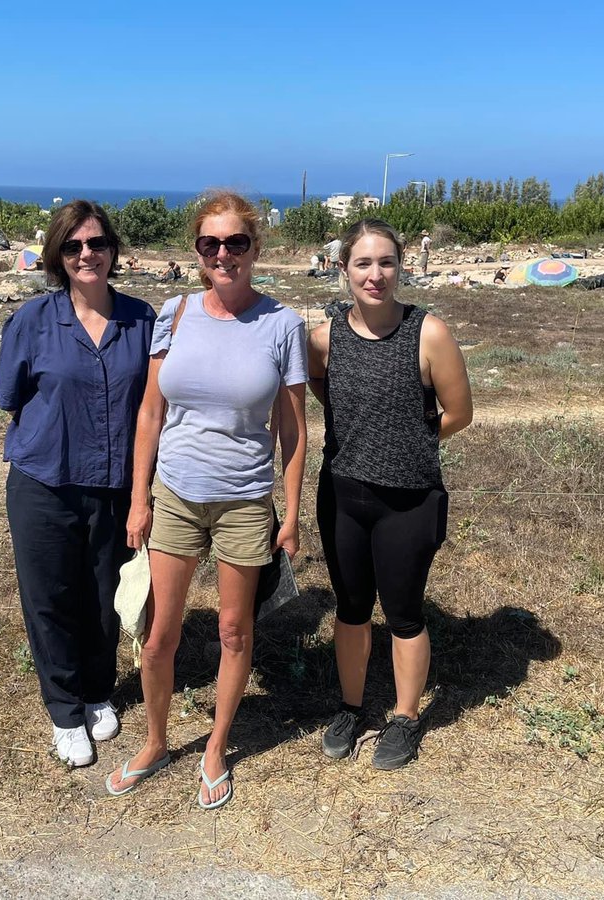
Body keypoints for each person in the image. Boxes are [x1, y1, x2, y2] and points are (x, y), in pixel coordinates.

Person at [106, 191, 308, 809]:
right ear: (197, 251)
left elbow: (294, 429)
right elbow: (150, 411)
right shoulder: (176, 312)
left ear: (255, 249)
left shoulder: (282, 324)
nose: (224, 254)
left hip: (245, 498)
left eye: (236, 242)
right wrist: (139, 498)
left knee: (232, 630)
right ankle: (156, 742)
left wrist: (292, 511)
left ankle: (217, 747)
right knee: (160, 632)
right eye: (210, 243)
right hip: (175, 493)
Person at [0, 200, 156, 768]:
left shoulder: (143, 320)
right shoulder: (33, 320)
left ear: (113, 250)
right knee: (50, 597)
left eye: (96, 243)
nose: (86, 254)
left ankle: (95, 690)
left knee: (105, 597)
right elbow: (11, 397)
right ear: (57, 257)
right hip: (44, 481)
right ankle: (64, 709)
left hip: (116, 486)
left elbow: (154, 407)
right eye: (73, 246)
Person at [307, 218, 472, 770]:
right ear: (343, 269)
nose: (375, 275)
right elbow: (320, 388)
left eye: (386, 263)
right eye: (363, 263)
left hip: (409, 498)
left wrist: (408, 441)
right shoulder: (324, 338)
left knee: (403, 612)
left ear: (401, 267)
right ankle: (351, 708)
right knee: (352, 609)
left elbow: (459, 413)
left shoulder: (429, 333)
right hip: (342, 494)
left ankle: (403, 717)